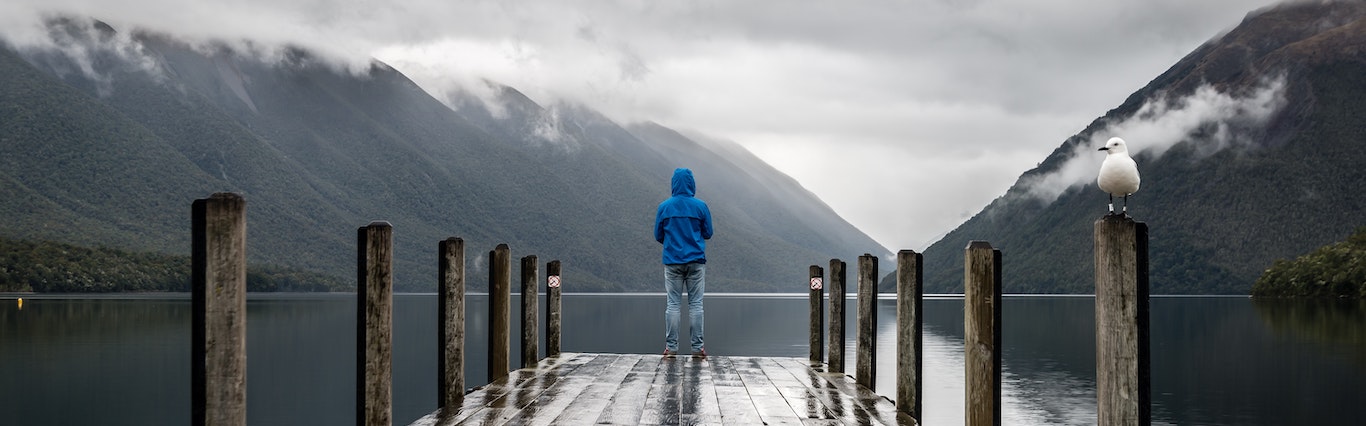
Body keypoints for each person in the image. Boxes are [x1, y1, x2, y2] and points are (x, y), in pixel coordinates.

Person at [654, 168, 713, 358]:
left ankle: (671, 348)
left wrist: (673, 243)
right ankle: (697, 349)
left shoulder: (664, 207)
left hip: (672, 262)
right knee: (696, 305)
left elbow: (658, 235)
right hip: (696, 261)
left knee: (673, 304)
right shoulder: (701, 206)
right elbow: (708, 233)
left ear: (673, 183)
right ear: (692, 183)